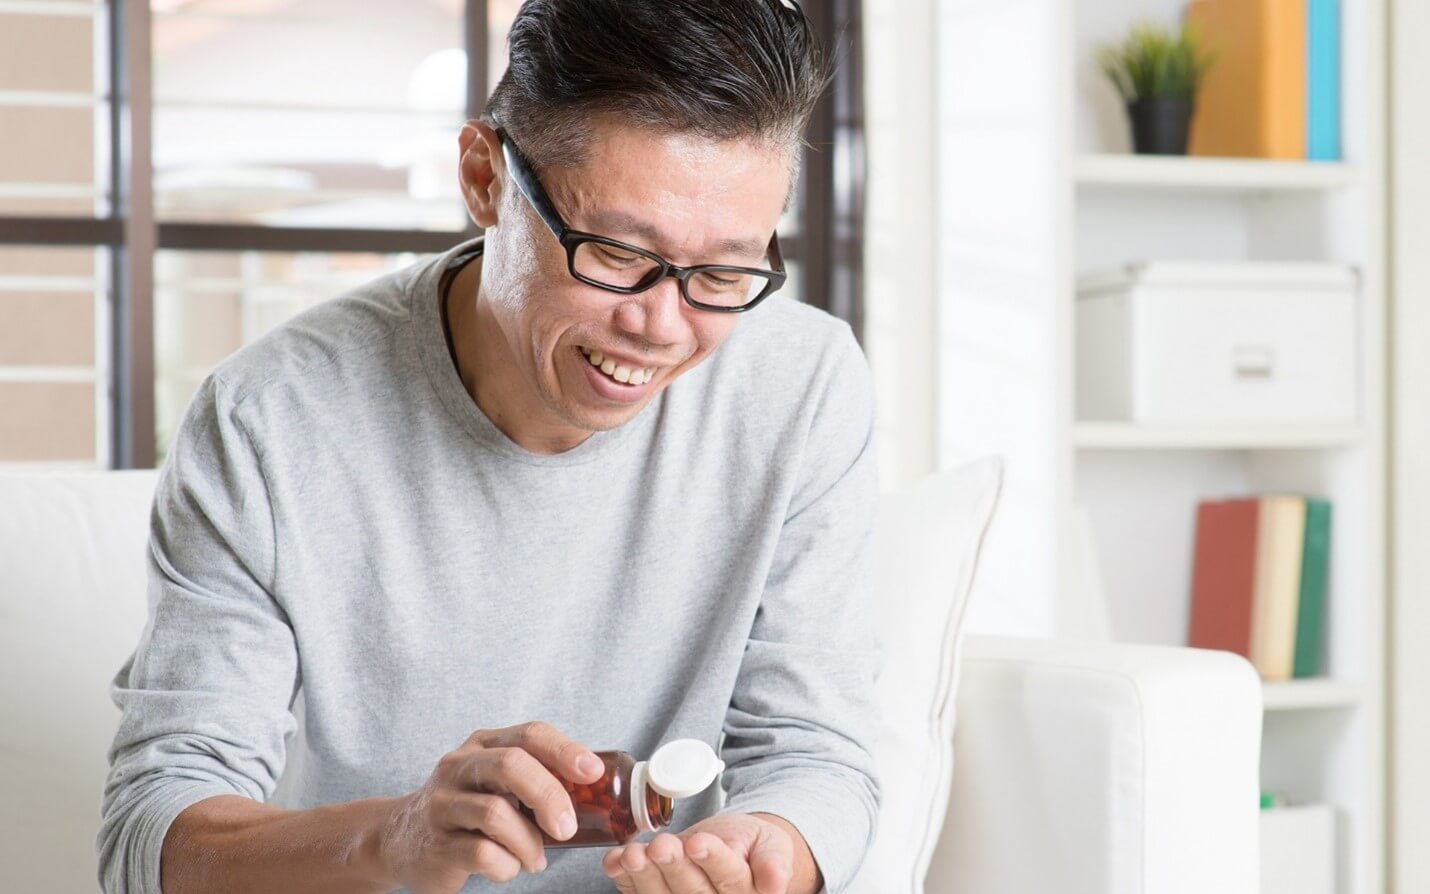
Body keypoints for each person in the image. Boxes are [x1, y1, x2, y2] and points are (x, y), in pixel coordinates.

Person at [98, 1, 881, 892]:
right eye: (617, 254)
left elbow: (816, 752)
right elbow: (148, 838)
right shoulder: (268, 420)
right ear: (483, 178)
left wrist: (774, 851)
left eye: (724, 272)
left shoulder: (803, 383)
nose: (662, 326)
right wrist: (389, 841)